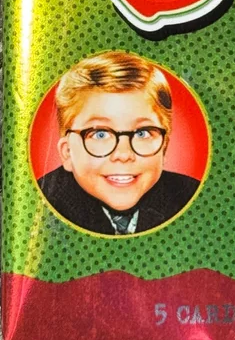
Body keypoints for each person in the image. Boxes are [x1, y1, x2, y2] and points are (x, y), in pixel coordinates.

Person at [37, 51, 200, 235]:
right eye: (100, 134)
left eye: (142, 133)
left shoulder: (191, 198)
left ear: (164, 147)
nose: (123, 154)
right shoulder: (41, 205)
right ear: (67, 152)